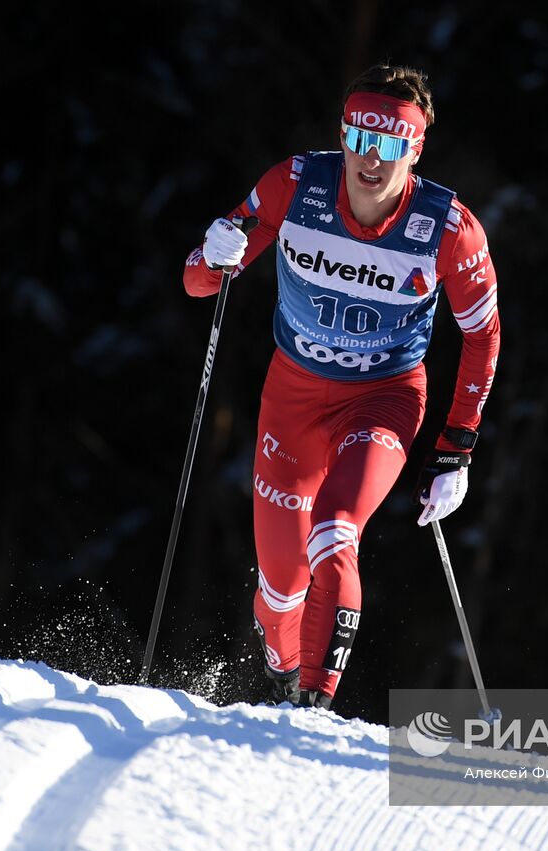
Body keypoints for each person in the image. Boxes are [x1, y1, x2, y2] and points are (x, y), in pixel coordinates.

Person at [182, 64, 500, 709]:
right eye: (360, 138)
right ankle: (285, 665)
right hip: (293, 397)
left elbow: (483, 336)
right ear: (345, 134)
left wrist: (456, 448)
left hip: (384, 398)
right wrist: (212, 254)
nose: (370, 160)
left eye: (390, 146)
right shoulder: (295, 185)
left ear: (414, 151)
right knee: (279, 593)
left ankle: (314, 704)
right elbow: (199, 283)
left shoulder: (448, 229)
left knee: (335, 529)